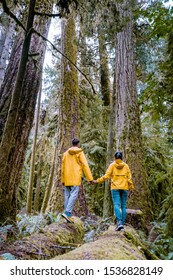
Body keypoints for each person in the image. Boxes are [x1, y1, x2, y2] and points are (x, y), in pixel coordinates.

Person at [94, 151, 134, 231]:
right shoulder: (126, 166)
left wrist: (97, 181)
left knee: (116, 204)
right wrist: (131, 187)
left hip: (115, 188)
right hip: (125, 188)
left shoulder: (112, 166)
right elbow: (129, 179)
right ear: (122, 158)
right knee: (123, 206)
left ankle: (119, 222)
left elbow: (106, 176)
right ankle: (122, 224)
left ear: (115, 158)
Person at [61, 138, 94, 223]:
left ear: (72, 144)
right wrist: (90, 179)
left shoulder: (65, 154)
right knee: (73, 195)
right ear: (78, 144)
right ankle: (67, 213)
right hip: (75, 177)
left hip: (67, 178)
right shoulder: (79, 152)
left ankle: (66, 213)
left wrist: (63, 179)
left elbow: (63, 168)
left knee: (67, 195)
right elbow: (85, 165)